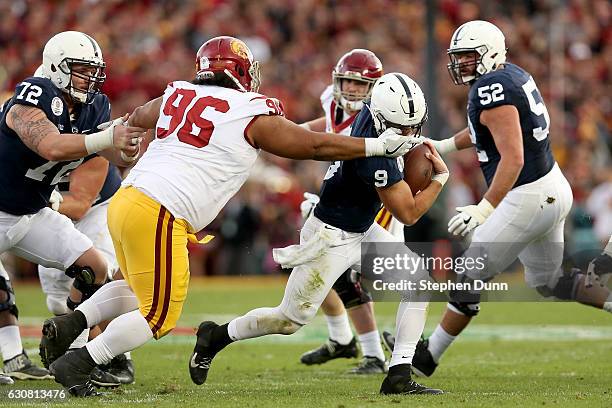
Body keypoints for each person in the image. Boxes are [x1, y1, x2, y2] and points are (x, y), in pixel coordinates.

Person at [38, 36, 417, 397]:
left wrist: (117, 134)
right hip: (161, 210)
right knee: (159, 316)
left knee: (140, 290)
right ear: (241, 71)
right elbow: (313, 146)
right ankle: (82, 361)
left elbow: (137, 117)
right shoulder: (250, 110)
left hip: (128, 200)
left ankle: (72, 323)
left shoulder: (177, 92)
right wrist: (376, 145)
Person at [188, 72, 448, 395]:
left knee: (418, 283)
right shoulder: (377, 159)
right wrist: (439, 180)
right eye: (401, 128)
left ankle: (398, 374)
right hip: (331, 238)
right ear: (380, 118)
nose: (409, 134)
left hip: (361, 231)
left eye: (413, 126)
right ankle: (216, 335)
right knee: (288, 320)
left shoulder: (370, 113)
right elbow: (407, 212)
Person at [399, 20, 612, 378]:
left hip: (527, 195)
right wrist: (446, 146)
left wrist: (485, 208)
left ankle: (427, 357)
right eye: (459, 57)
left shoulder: (490, 87)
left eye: (468, 57)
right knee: (547, 281)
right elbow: (483, 127)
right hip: (550, 189)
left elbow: (513, 158)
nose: (461, 64)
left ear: (490, 53)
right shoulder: (509, 75)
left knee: (468, 275)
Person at [0, 31, 143, 382]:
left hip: (31, 212)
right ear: (56, 67)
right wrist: (107, 137)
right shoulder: (34, 95)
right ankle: (14, 357)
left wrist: (122, 149)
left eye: (93, 71)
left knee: (94, 267)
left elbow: (99, 150)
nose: (89, 79)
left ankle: (76, 356)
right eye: (81, 70)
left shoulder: (93, 105)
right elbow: (50, 145)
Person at [298, 49, 394, 374]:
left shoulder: (381, 114)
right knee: (326, 268)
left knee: (348, 276)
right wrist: (289, 133)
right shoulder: (333, 101)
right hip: (345, 200)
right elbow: (324, 126)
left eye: (359, 83)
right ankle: (348, 342)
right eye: (347, 81)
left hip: (377, 203)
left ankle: (388, 349)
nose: (351, 89)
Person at [38, 155, 135, 386]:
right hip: (51, 209)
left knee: (97, 281)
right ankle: (84, 353)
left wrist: (37, 201)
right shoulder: (21, 130)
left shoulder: (88, 130)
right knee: (58, 302)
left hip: (98, 207)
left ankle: (117, 359)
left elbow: (80, 205)